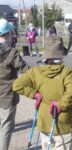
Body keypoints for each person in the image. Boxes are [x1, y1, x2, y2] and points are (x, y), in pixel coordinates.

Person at [12, 36, 72, 150]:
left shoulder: (35, 71)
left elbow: (16, 85)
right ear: (61, 55)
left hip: (44, 120)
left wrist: (34, 94)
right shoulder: (67, 72)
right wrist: (60, 104)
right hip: (63, 120)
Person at [0, 19, 29, 150]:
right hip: (7, 95)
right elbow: (25, 70)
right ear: (7, 33)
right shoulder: (12, 52)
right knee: (6, 127)